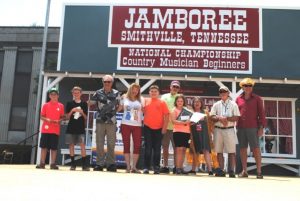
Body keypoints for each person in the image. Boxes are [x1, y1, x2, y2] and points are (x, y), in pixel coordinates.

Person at [236, 78, 266, 179]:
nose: (248, 87)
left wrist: (261, 127)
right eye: (246, 85)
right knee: (242, 149)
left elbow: (262, 114)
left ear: (252, 87)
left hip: (253, 127)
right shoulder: (238, 99)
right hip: (240, 127)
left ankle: (259, 171)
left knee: (256, 149)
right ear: (242, 87)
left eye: (250, 85)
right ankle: (245, 171)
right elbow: (235, 114)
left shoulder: (257, 98)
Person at [90, 75, 120, 172]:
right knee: (99, 143)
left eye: (109, 82)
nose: (107, 83)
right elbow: (91, 103)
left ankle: (110, 164)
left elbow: (120, 105)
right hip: (100, 121)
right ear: (102, 82)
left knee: (111, 144)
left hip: (111, 121)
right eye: (105, 81)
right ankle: (99, 164)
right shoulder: (97, 92)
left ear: (112, 82)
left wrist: (114, 113)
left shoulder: (116, 93)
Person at [210, 86, 240, 178]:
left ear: (228, 93)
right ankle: (221, 170)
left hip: (229, 129)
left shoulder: (233, 104)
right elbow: (212, 117)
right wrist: (220, 118)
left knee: (231, 151)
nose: (223, 93)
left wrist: (226, 118)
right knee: (219, 151)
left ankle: (231, 171)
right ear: (219, 94)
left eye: (224, 92)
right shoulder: (216, 104)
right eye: (221, 92)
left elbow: (236, 117)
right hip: (218, 129)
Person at [36, 87, 65, 170]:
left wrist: (59, 120)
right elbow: (41, 116)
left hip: (55, 130)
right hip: (46, 130)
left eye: (55, 94)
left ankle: (52, 164)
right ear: (49, 96)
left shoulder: (61, 106)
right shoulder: (45, 105)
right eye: (52, 94)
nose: (53, 96)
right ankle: (42, 163)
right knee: (44, 147)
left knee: (54, 148)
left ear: (58, 96)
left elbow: (63, 117)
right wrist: (47, 119)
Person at [143, 85, 169, 174]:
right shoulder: (145, 101)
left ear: (158, 93)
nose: (153, 93)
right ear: (149, 93)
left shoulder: (162, 102)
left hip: (159, 128)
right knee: (148, 148)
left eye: (155, 91)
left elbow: (166, 116)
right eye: (152, 91)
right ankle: (146, 167)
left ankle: (156, 168)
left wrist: (164, 128)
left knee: (157, 149)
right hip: (147, 127)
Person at [119, 83, 143, 173]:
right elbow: (119, 108)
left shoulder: (141, 99)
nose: (135, 91)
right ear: (130, 89)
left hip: (137, 125)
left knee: (137, 146)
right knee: (126, 145)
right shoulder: (124, 98)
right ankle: (128, 167)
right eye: (133, 89)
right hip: (125, 124)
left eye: (137, 89)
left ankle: (134, 167)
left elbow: (145, 111)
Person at [65, 86, 89, 171]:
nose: (76, 94)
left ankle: (84, 165)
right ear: (72, 94)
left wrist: (82, 112)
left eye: (78, 93)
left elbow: (86, 118)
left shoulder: (84, 104)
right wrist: (72, 111)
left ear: (81, 94)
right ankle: (73, 165)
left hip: (80, 128)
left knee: (82, 145)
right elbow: (67, 117)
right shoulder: (69, 103)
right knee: (71, 145)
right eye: (74, 93)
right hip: (71, 127)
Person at [189, 97, 213, 175]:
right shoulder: (190, 112)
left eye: (199, 102)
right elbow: (187, 123)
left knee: (206, 151)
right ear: (193, 104)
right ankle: (193, 169)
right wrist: (192, 122)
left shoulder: (206, 112)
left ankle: (210, 170)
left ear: (201, 103)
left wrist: (204, 119)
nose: (197, 103)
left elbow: (211, 123)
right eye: (195, 102)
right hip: (194, 134)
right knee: (196, 151)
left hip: (204, 134)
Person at [160, 80, 181, 173]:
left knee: (176, 147)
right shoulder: (164, 97)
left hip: (177, 127)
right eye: (174, 86)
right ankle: (165, 166)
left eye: (177, 87)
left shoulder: (180, 97)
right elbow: (160, 110)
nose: (175, 88)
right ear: (170, 87)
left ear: (179, 88)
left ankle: (177, 167)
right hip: (165, 126)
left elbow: (183, 110)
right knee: (165, 147)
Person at [171, 95, 192, 174]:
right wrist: (184, 122)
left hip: (186, 132)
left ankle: (181, 167)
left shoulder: (187, 110)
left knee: (183, 150)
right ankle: (177, 168)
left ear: (184, 102)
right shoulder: (174, 110)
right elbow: (173, 121)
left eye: (181, 101)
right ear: (176, 102)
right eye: (178, 101)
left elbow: (191, 119)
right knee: (179, 149)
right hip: (178, 132)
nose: (180, 102)